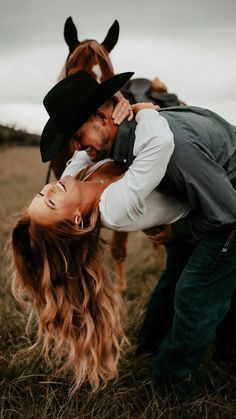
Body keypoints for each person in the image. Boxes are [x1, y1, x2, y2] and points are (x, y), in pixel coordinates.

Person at [39, 70, 236, 399]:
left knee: (197, 286)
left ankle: (172, 384)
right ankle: (152, 346)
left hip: (228, 199)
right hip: (205, 196)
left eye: (76, 136)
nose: (77, 148)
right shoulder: (118, 140)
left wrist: (178, 230)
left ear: (103, 118)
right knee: (178, 269)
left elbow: (228, 213)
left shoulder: (177, 151)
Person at [11, 84, 189, 393]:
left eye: (42, 193)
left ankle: (148, 343)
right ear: (77, 220)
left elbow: (78, 155)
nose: (51, 188)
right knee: (194, 293)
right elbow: (158, 143)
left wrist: (118, 103)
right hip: (194, 218)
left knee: (175, 279)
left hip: (184, 211)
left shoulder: (75, 180)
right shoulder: (113, 209)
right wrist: (143, 110)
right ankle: (172, 383)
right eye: (50, 201)